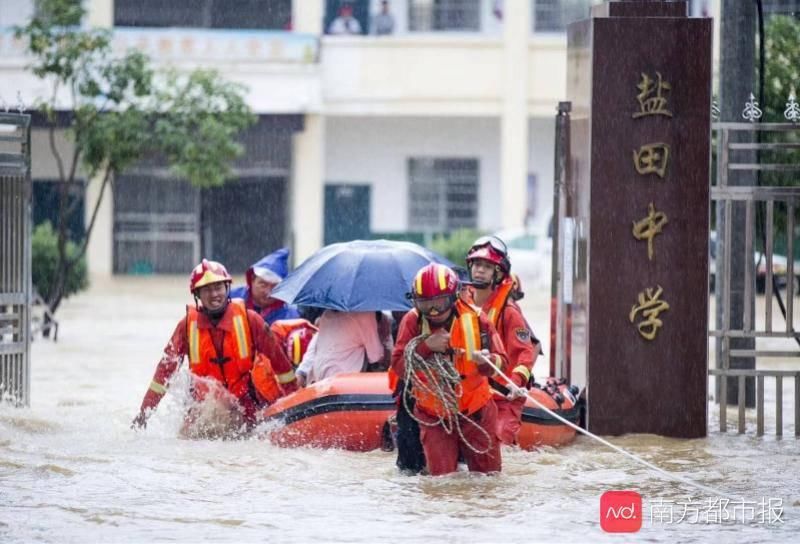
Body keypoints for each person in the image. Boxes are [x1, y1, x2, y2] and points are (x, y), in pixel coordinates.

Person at [132, 259, 299, 434]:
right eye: (207, 290)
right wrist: (144, 413)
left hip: (246, 411)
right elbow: (163, 375)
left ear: (227, 288)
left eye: (218, 288)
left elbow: (281, 366)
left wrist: (295, 402)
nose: (214, 295)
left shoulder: (251, 320)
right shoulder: (186, 327)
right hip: (202, 410)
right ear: (197, 294)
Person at [391, 263, 507, 476]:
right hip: (434, 416)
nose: (434, 311)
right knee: (442, 483)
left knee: (489, 480)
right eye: (426, 305)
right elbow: (399, 366)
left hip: (477, 413)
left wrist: (487, 363)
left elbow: (502, 363)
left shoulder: (478, 319)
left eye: (440, 303)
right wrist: (426, 347)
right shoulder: (412, 321)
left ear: (453, 297)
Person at [464, 236, 542, 446]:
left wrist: (514, 384)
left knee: (498, 442)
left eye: (487, 267)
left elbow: (525, 355)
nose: (480, 270)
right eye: (477, 264)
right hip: (471, 393)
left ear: (498, 273)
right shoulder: (461, 305)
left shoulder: (509, 312)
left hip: (504, 396)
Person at [295, 310, 387, 386]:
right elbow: (376, 356)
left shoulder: (326, 314)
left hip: (319, 380)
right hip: (345, 384)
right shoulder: (366, 314)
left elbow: (314, 349)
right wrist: (384, 337)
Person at [229, 248, 301, 325]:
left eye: (275, 287)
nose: (268, 292)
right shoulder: (230, 299)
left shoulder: (291, 316)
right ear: (252, 279)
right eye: (263, 285)